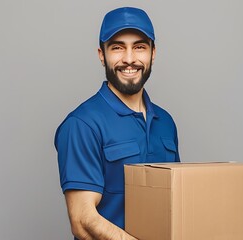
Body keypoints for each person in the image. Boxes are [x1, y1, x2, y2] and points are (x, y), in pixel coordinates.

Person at [54, 7, 180, 240]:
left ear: (153, 53)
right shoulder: (82, 124)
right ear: (102, 55)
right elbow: (83, 220)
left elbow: (177, 203)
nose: (129, 59)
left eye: (139, 47)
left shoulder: (166, 123)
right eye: (118, 47)